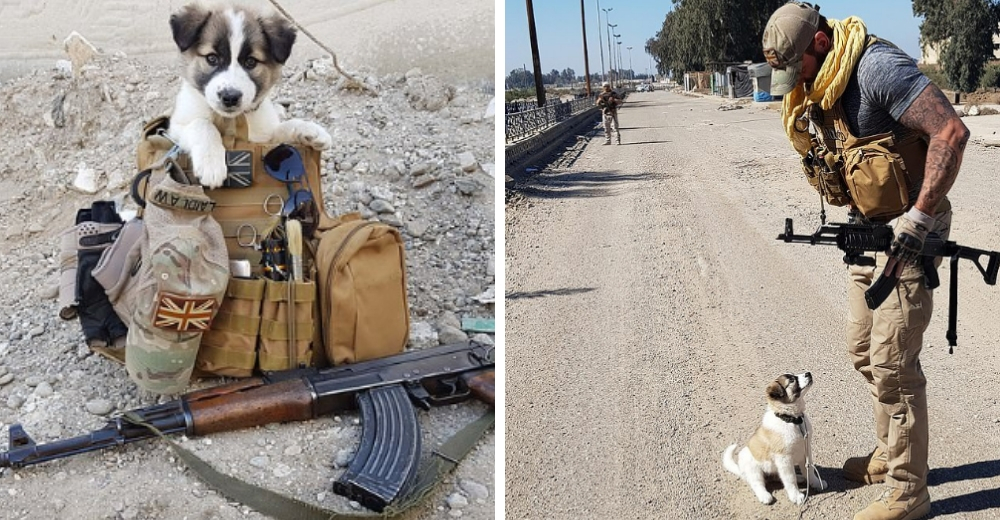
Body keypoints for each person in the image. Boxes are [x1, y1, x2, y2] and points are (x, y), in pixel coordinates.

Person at [762, 3, 968, 520]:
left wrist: (918, 221)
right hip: (870, 233)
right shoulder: (820, 86)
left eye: (797, 69)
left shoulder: (876, 69)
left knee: (894, 366)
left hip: (910, 234)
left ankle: (908, 491)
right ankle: (890, 452)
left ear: (820, 45)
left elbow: (951, 133)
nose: (794, 84)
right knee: (862, 347)